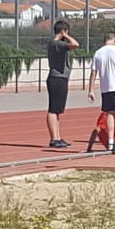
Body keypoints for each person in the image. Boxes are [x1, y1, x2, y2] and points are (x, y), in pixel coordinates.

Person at [87, 33, 115, 154]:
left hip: (105, 89)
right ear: (114, 40)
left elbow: (93, 73)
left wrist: (91, 90)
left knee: (110, 113)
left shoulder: (98, 53)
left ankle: (111, 141)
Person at [46, 20, 78, 148]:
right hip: (57, 78)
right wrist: (66, 35)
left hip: (60, 78)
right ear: (63, 31)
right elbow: (75, 45)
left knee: (57, 110)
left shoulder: (56, 44)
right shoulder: (56, 44)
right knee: (53, 109)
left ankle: (57, 137)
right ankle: (54, 138)